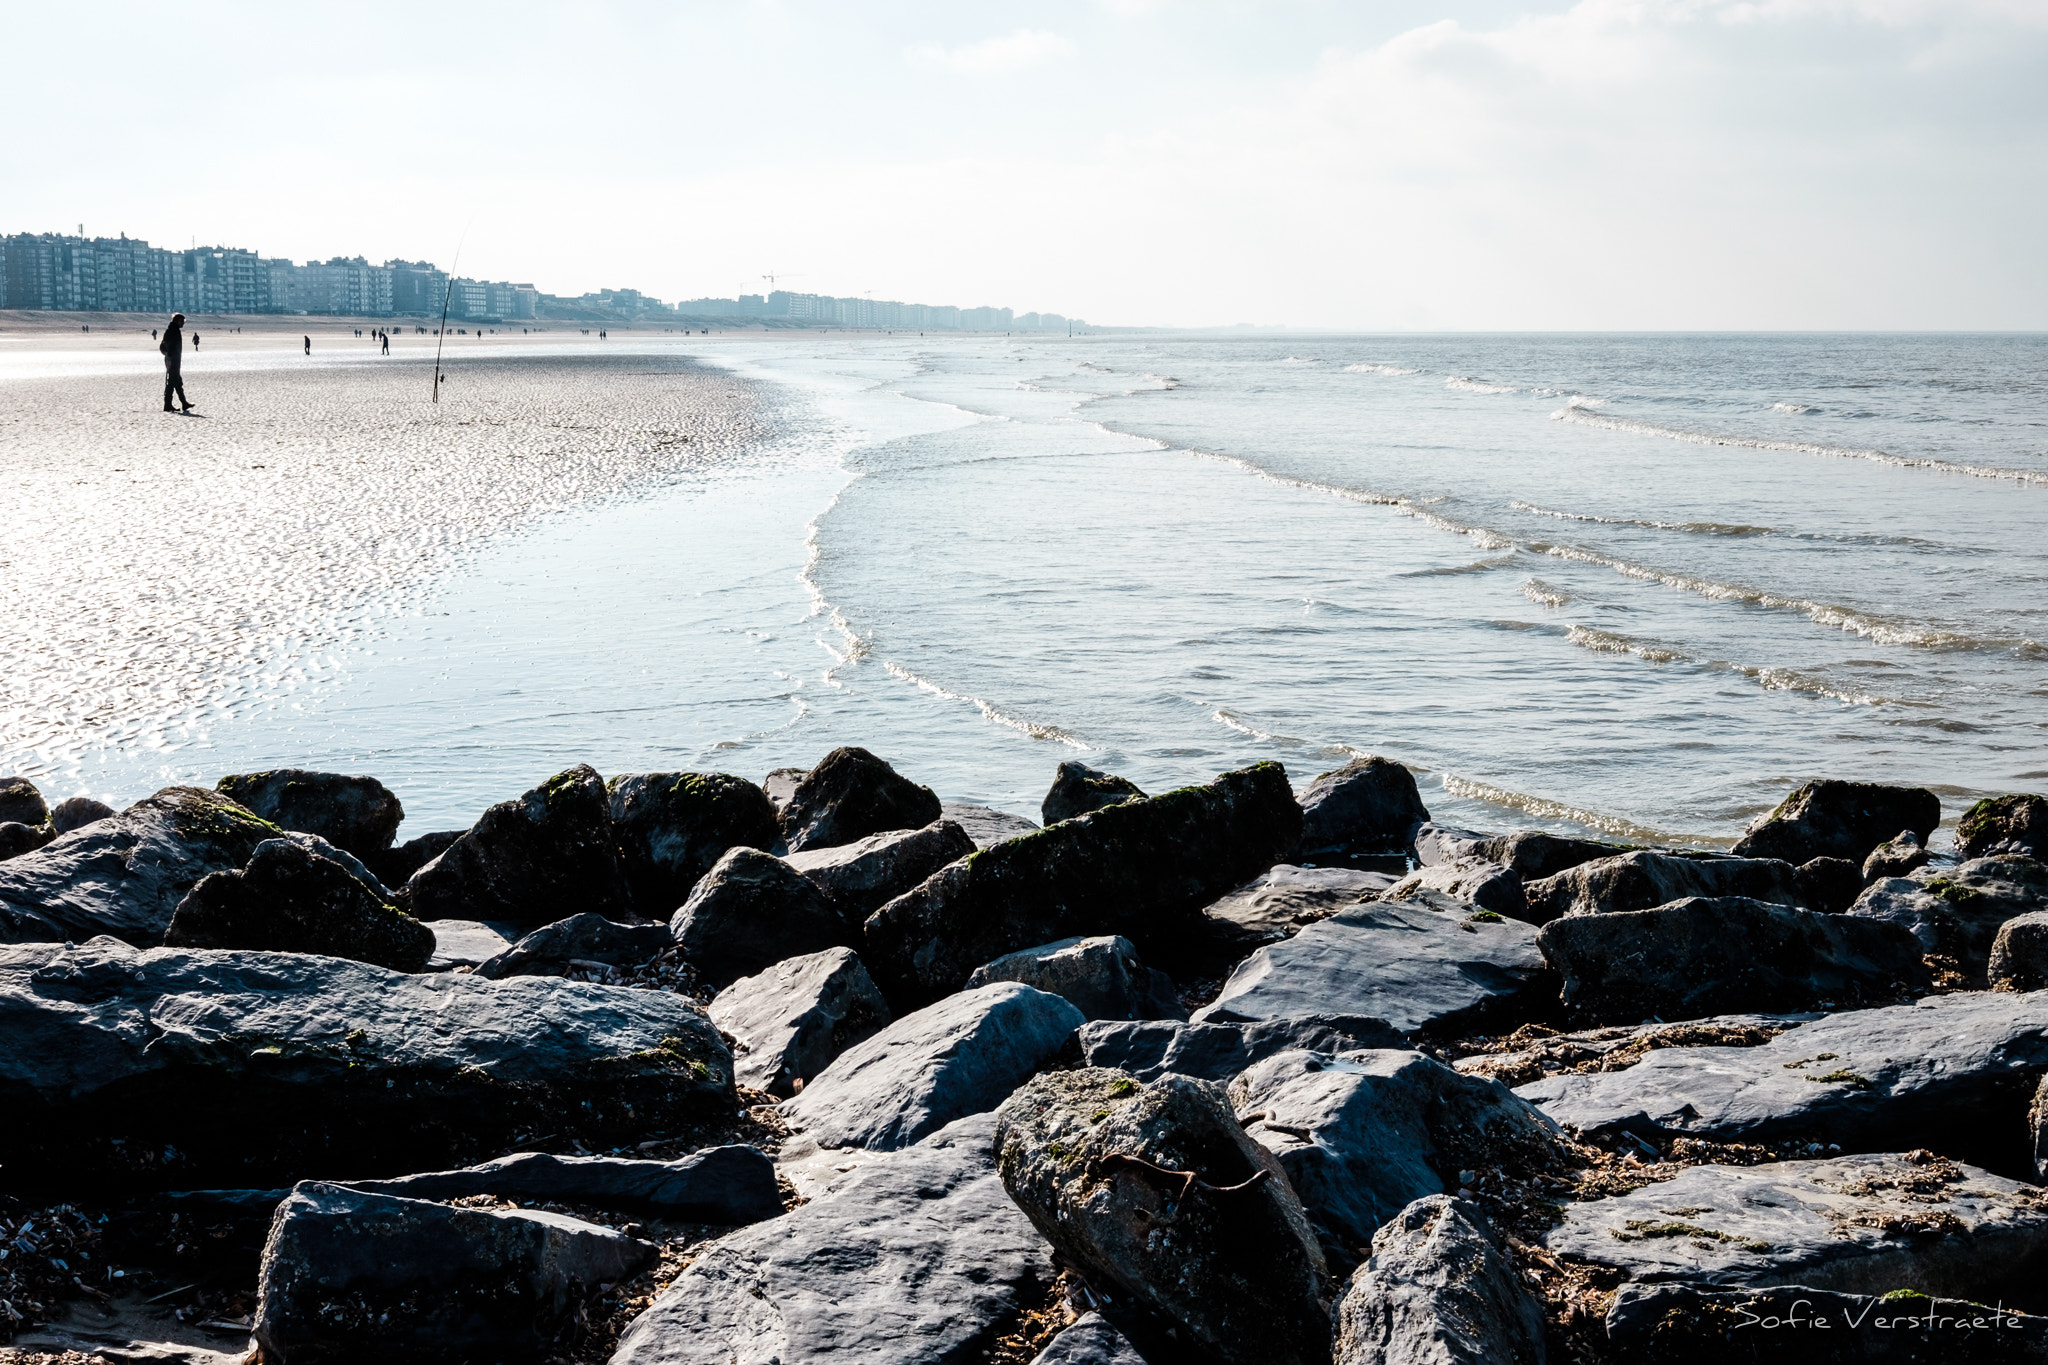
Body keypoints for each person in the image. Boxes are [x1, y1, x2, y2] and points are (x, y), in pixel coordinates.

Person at [159, 313, 193, 413]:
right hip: (172, 361)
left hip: (173, 360)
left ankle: (184, 403)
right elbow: (165, 346)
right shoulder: (173, 331)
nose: (183, 323)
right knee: (172, 383)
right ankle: (167, 405)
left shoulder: (172, 330)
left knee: (177, 382)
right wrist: (169, 357)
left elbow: (164, 346)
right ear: (177, 321)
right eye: (182, 321)